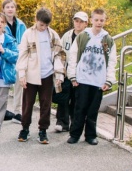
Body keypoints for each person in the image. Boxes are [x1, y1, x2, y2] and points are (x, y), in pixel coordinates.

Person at [67, 8, 117, 146]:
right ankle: (74, 134)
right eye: (96, 20)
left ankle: (90, 135)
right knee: (79, 108)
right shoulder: (83, 36)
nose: (99, 22)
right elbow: (73, 56)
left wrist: (109, 80)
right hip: (82, 79)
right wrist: (72, 76)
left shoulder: (108, 39)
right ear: (91, 20)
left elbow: (112, 61)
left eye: (102, 20)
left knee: (93, 110)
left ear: (105, 21)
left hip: (98, 81)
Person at [15, 8, 65, 144]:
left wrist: (59, 74)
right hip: (31, 75)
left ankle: (43, 130)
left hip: (47, 75)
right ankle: (25, 128)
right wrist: (22, 74)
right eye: (41, 24)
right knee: (28, 103)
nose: (43, 27)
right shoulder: (28, 34)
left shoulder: (53, 35)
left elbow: (59, 54)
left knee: (46, 104)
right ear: (36, 20)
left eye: (46, 25)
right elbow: (23, 54)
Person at [55, 12, 88, 132]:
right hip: (67, 71)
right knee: (63, 96)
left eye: (81, 22)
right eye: (76, 21)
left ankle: (75, 123)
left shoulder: (88, 37)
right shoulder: (67, 35)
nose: (78, 24)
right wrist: (60, 71)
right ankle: (62, 122)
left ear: (86, 24)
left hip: (80, 72)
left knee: (76, 99)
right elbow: (60, 52)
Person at [1, 0, 27, 123]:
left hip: (19, 59)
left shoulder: (21, 25)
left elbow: (26, 41)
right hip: (5, 59)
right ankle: (0, 111)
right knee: (3, 88)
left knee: (19, 87)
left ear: (15, 9)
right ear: (3, 9)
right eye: (7, 7)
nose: (10, 9)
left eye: (12, 7)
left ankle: (17, 112)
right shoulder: (1, 23)